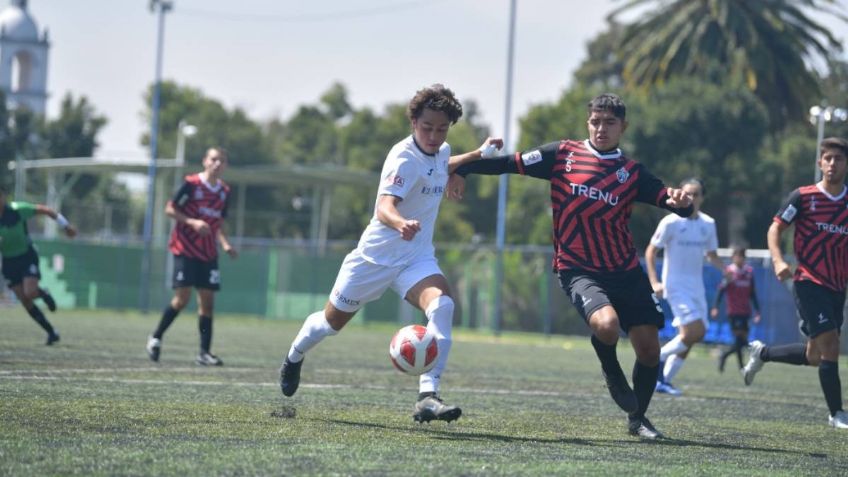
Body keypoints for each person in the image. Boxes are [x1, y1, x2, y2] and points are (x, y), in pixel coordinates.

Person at [449, 93, 693, 439]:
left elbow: (669, 200)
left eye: (609, 122)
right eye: (595, 121)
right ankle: (609, 365)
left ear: (623, 126)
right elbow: (507, 163)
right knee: (607, 326)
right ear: (587, 122)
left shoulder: (632, 172)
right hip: (578, 268)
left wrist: (681, 202)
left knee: (650, 349)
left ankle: (638, 419)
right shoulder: (561, 155)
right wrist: (463, 167)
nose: (601, 128)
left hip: (624, 270)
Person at [278, 84, 502, 423]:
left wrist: (472, 159)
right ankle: (294, 356)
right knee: (330, 324)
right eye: (427, 127)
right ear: (413, 122)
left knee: (442, 306)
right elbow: (384, 206)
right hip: (374, 259)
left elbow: (441, 164)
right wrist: (400, 223)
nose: (434, 135)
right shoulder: (402, 158)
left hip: (415, 259)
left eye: (441, 129)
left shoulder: (440, 150)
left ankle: (428, 395)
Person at [742, 137, 848, 429]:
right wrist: (777, 260)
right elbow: (775, 228)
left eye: (838, 159)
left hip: (838, 287)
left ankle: (763, 353)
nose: (832, 164)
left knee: (816, 355)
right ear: (820, 163)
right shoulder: (803, 197)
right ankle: (836, 413)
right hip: (809, 281)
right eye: (827, 159)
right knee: (831, 343)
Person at [146, 147, 238, 366]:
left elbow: (219, 224)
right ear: (205, 161)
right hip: (185, 249)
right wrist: (192, 222)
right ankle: (155, 337)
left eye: (222, 161)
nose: (218, 164)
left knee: (207, 303)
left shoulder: (224, 192)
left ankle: (204, 353)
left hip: (208, 253)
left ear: (225, 165)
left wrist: (225, 244)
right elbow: (170, 209)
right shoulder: (192, 184)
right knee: (182, 299)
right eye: (214, 159)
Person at [645, 178, 725, 396]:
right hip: (675, 285)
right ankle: (656, 359)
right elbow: (651, 251)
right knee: (694, 331)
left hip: (696, 286)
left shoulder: (708, 223)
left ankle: (663, 381)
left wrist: (728, 271)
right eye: (687, 193)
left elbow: (712, 255)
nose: (691, 197)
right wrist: (655, 281)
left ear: (702, 197)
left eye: (695, 194)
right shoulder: (670, 222)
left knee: (692, 336)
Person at [0, 184, 76, 344]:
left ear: (4, 197)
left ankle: (43, 293)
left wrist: (66, 226)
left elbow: (47, 211)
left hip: (26, 256)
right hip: (8, 262)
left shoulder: (17, 210)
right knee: (25, 300)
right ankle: (51, 332)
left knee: (30, 292)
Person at [710, 246, 761, 373]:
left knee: (742, 340)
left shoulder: (749, 272)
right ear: (733, 257)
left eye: (741, 256)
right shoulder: (729, 272)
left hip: (746, 311)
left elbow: (752, 293)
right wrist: (715, 306)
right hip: (733, 311)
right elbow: (721, 290)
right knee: (740, 340)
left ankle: (726, 356)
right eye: (737, 256)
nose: (739, 259)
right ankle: (741, 367)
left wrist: (757, 311)